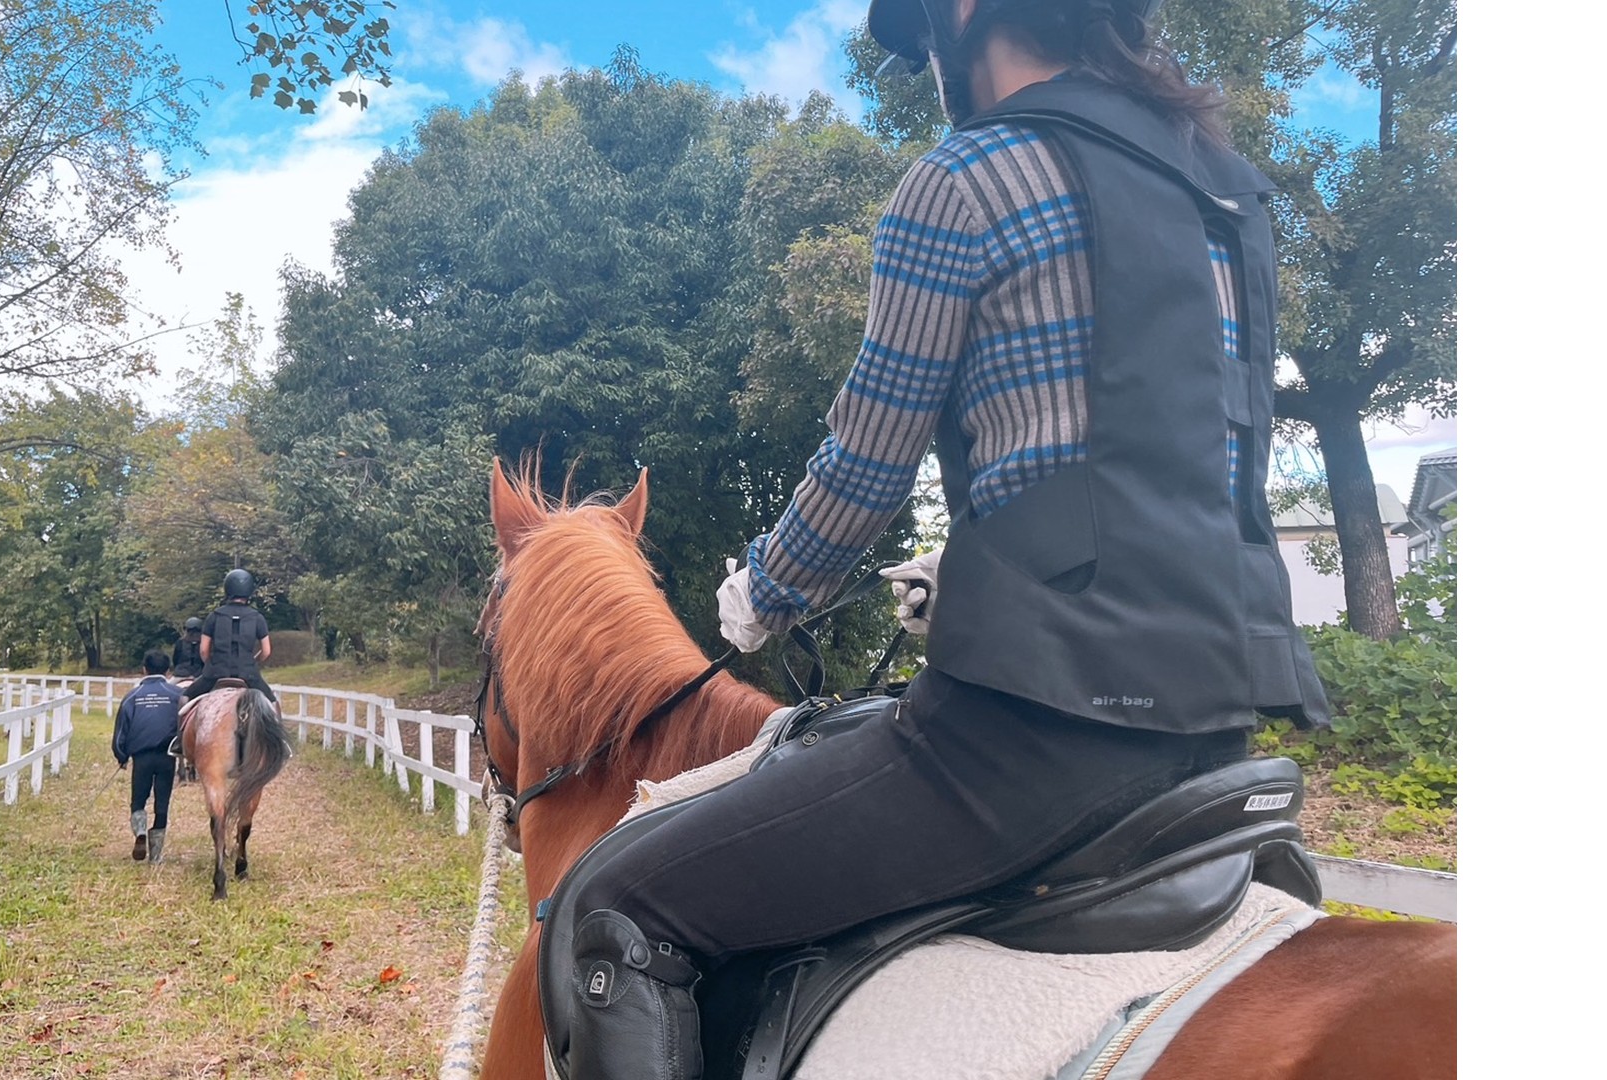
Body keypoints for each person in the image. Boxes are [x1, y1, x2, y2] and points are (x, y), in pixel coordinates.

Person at [556, 3, 1332, 1078]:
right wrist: (980, 569)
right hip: (1216, 732)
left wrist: (763, 594)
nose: (928, 59)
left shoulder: (968, 177)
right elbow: (1164, 469)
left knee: (616, 910)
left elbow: (865, 469)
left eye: (923, 34)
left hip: (1026, 751)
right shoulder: (1226, 193)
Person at [112, 649, 185, 864]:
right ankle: (156, 856)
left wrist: (121, 755)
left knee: (138, 800)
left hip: (141, 758)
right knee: (162, 803)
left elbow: (120, 732)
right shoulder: (177, 695)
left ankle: (141, 831)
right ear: (168, 670)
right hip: (167, 756)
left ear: (144, 669)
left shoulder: (132, 697)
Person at [181, 569, 276, 706]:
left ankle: (179, 728)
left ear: (227, 589)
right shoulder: (257, 618)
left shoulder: (214, 616)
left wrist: (212, 664)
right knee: (272, 703)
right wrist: (252, 661)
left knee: (185, 697)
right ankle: (278, 727)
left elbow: (203, 651)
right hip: (248, 675)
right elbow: (266, 651)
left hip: (215, 673)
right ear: (249, 591)